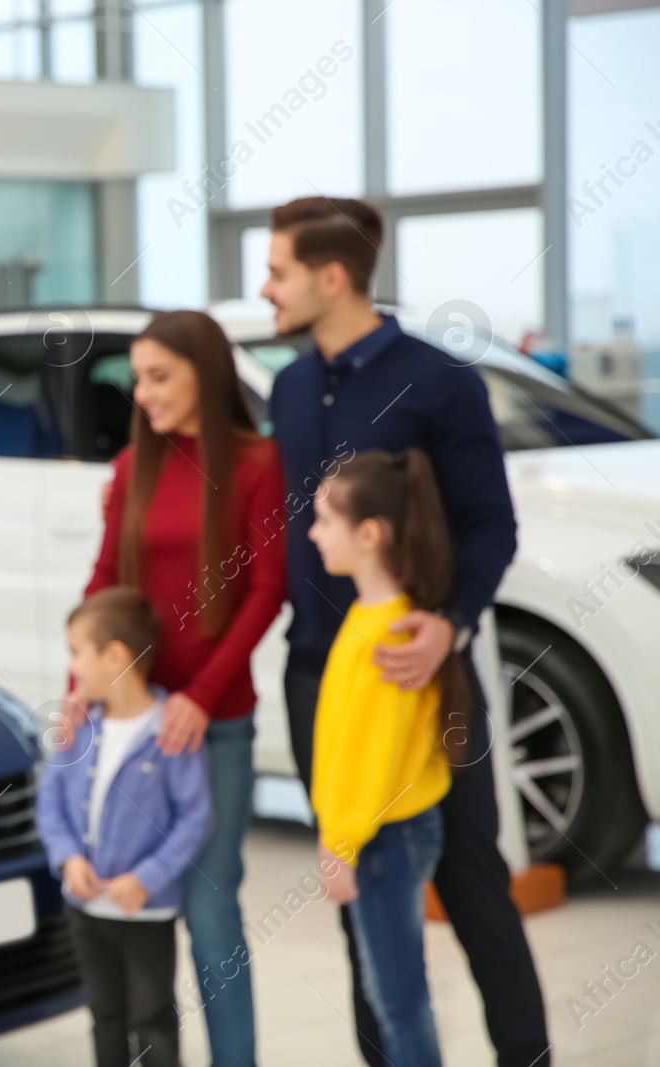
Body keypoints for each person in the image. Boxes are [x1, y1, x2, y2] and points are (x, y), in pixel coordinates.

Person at [260, 195, 549, 1066]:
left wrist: (448, 626)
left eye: (277, 272)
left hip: (434, 683)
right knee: (362, 901)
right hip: (322, 679)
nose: (264, 289)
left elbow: (490, 526)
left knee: (474, 891)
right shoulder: (290, 385)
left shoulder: (441, 380)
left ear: (332, 276)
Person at [77, 309, 286, 1066]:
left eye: (160, 376)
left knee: (209, 905)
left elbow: (267, 590)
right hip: (132, 723)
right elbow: (108, 578)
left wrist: (199, 694)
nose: (144, 393)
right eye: (137, 378)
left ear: (208, 372)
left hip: (213, 724)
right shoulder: (137, 466)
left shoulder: (260, 463)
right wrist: (81, 679)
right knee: (133, 903)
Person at [310, 448, 465, 1067]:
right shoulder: (374, 614)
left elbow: (374, 758)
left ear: (368, 535)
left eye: (324, 520)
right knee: (391, 994)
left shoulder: (393, 635)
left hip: (382, 838)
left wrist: (341, 840)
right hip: (380, 834)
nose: (312, 532)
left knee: (398, 1000)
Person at [37, 587, 211, 1067]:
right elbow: (50, 802)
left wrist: (146, 880)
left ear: (115, 656)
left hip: (144, 913)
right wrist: (68, 859)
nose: (72, 668)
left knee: (152, 1016)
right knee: (104, 1014)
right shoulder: (78, 729)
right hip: (85, 909)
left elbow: (194, 818)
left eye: (77, 653)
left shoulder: (171, 734)